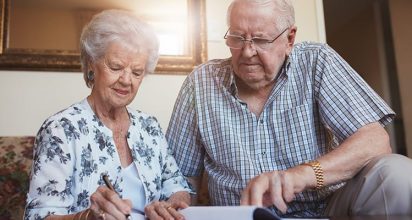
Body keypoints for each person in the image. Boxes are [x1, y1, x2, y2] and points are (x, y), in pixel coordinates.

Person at [166, 0, 412, 217]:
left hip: (326, 209)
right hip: (242, 216)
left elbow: (375, 140)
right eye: (237, 38)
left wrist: (300, 176)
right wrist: (176, 202)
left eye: (260, 39)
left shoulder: (316, 61)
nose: (247, 51)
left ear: (290, 38)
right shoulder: (200, 83)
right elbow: (179, 174)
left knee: (396, 173)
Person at [24, 9, 192, 220]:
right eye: (116, 67)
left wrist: (171, 205)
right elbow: (39, 216)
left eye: (137, 72)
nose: (126, 80)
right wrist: (87, 217)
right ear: (92, 65)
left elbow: (177, 185)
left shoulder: (149, 126)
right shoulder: (61, 129)